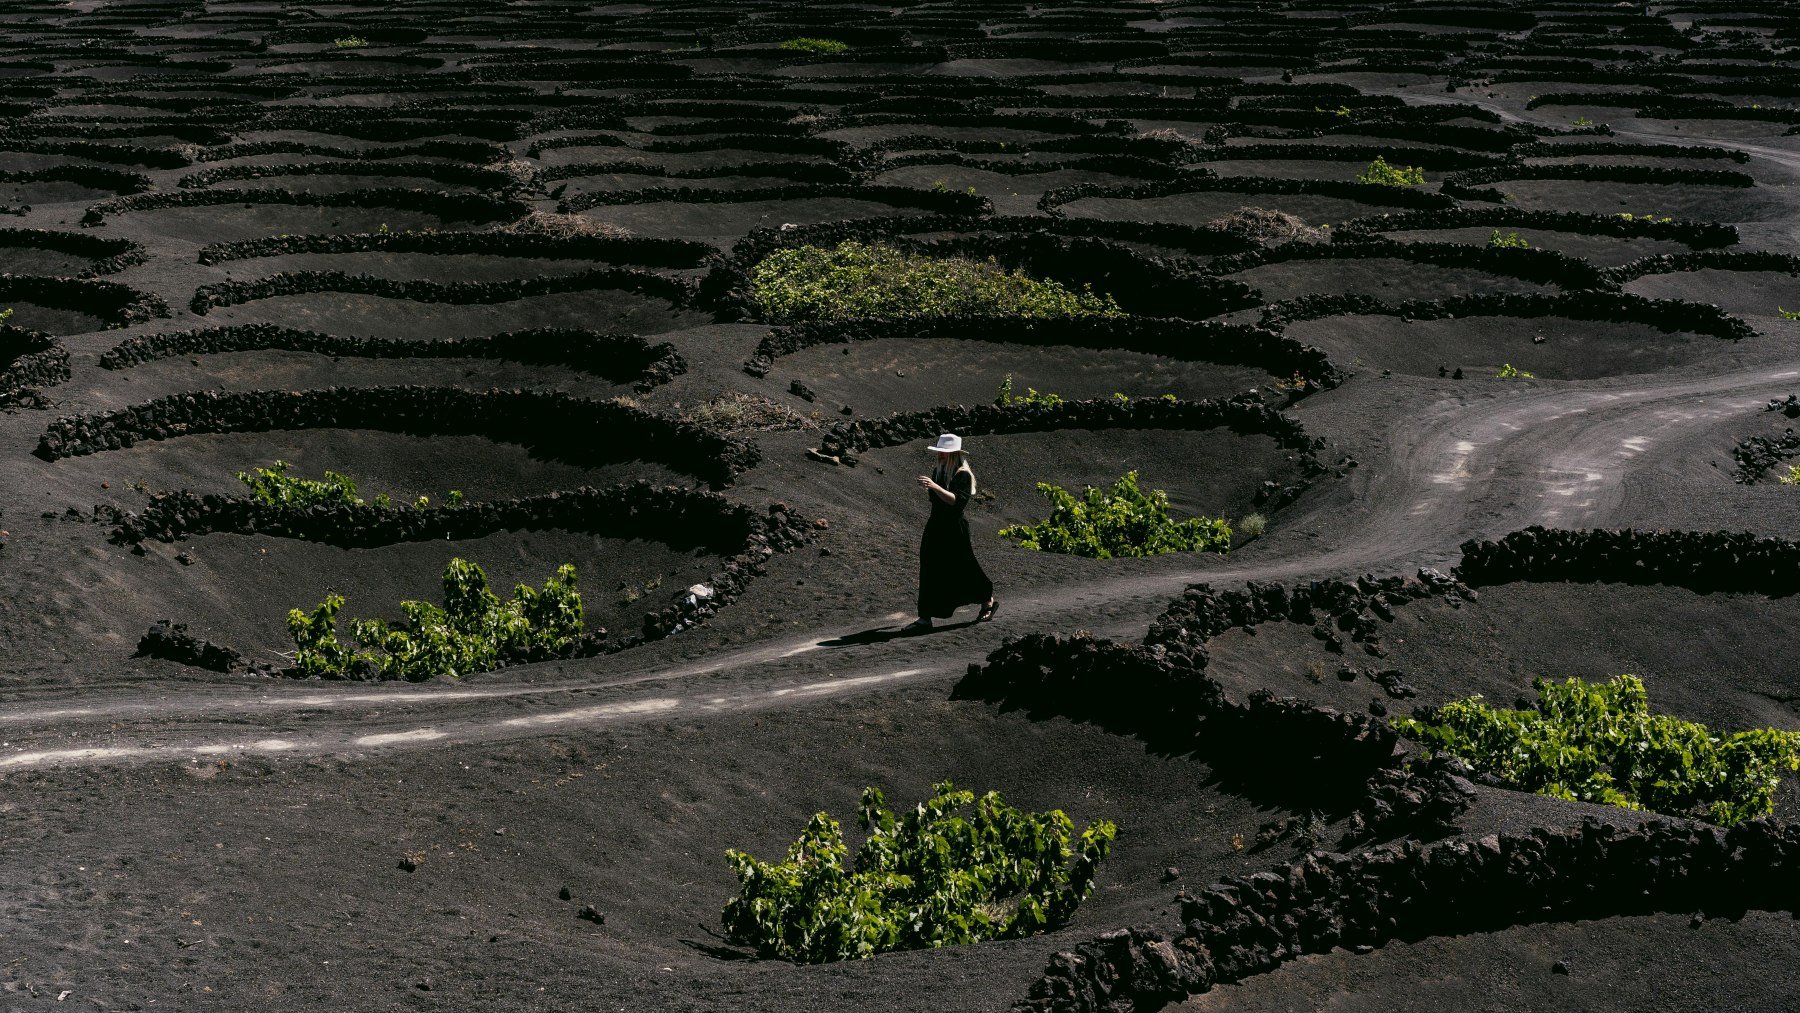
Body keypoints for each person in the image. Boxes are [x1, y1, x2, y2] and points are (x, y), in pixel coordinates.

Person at [907, 433, 997, 630]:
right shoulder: (939, 471)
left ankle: (986, 598)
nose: (940, 455)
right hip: (936, 525)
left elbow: (956, 501)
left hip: (954, 528)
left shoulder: (962, 474)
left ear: (954, 454)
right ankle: (925, 618)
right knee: (929, 567)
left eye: (944, 452)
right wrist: (934, 486)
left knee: (964, 565)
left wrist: (934, 486)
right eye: (940, 451)